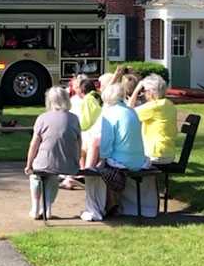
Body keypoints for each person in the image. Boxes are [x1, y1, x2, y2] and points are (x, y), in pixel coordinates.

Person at [81, 82, 156, 221]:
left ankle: (94, 208)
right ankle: (110, 204)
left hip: (123, 162)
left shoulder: (109, 114)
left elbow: (102, 144)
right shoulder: (130, 111)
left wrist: (98, 162)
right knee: (98, 165)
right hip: (138, 160)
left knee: (94, 170)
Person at [24, 87, 81, 219]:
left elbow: (34, 144)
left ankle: (35, 207)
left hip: (45, 163)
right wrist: (76, 161)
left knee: (35, 176)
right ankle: (48, 207)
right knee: (53, 176)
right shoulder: (74, 119)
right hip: (68, 164)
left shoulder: (42, 118)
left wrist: (29, 164)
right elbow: (79, 142)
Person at [132, 74, 179, 164]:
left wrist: (136, 90)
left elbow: (127, 113)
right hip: (168, 153)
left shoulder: (154, 106)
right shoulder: (168, 104)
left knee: (120, 159)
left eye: (144, 91)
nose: (143, 94)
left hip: (155, 155)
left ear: (151, 92)